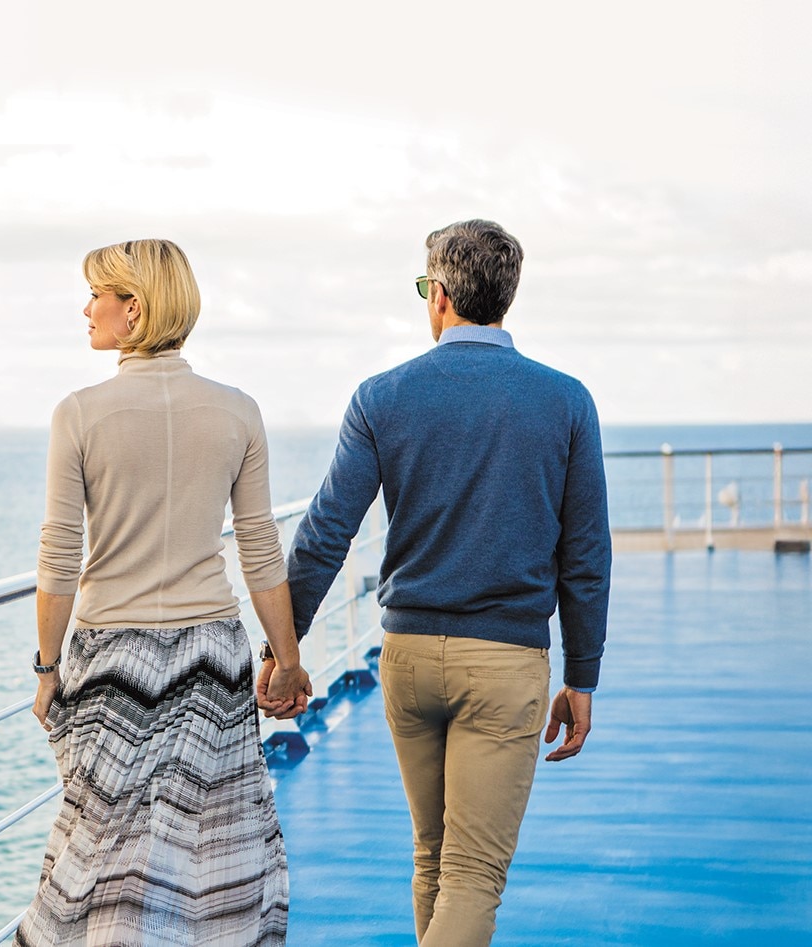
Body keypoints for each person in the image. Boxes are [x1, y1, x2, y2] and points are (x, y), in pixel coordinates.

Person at [285, 219, 609, 947]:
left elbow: (326, 530)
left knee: (434, 857)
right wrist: (582, 674)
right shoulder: (565, 401)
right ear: (505, 299)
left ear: (439, 296)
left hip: (406, 658)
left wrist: (285, 645)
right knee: (473, 877)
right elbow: (585, 553)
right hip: (505, 663)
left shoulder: (382, 396)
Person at [18, 239, 311, 947]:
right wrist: (288, 658)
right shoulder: (237, 411)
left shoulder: (80, 413)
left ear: (135, 309)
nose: (86, 308)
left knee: (102, 858)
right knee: (206, 856)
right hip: (213, 658)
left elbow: (60, 557)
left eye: (97, 295)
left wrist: (46, 666)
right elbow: (260, 550)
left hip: (110, 662)